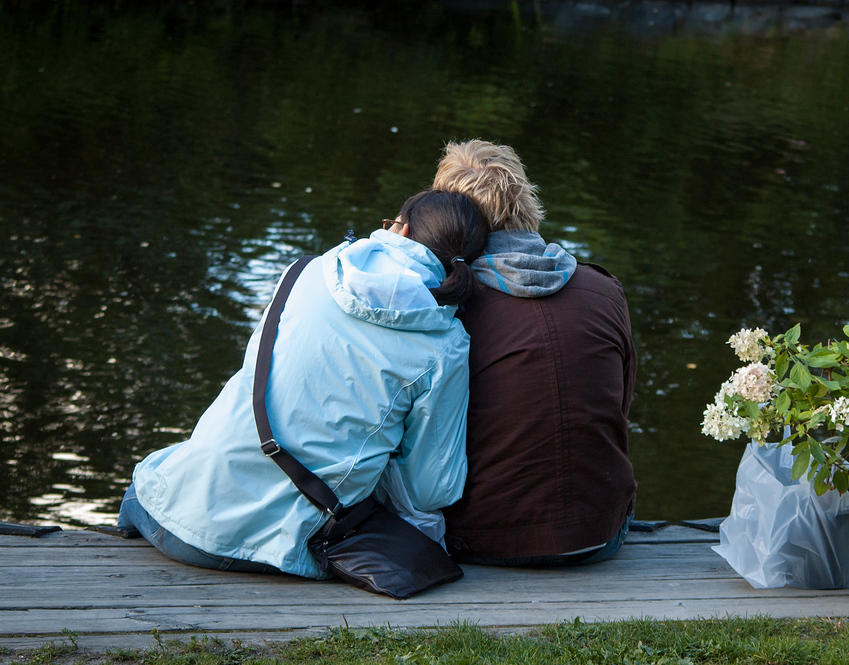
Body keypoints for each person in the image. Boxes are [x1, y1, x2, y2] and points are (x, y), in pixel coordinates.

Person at [118, 189, 488, 578]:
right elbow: (430, 489)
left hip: (174, 509)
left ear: (402, 228)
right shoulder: (445, 343)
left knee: (159, 467)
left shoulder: (304, 272)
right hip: (281, 545)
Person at [434, 140, 637, 566]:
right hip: (600, 531)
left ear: (449, 216)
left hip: (481, 536)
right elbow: (619, 406)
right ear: (527, 200)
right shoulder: (604, 290)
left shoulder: (447, 303)